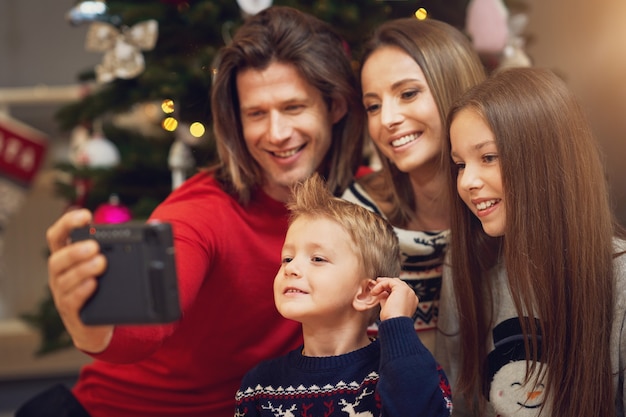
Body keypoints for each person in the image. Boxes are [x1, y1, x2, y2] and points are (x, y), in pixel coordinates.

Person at [17, 6, 364, 417]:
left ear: (336, 106)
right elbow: (145, 324)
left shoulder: (360, 199)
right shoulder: (200, 212)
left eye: (293, 107)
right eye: (256, 113)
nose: (276, 133)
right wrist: (89, 322)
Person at [437, 67, 626, 417]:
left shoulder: (620, 278)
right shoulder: (465, 262)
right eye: (460, 164)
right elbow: (455, 399)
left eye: (488, 157)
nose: (467, 182)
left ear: (544, 159)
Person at [235, 174, 453, 417]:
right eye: (287, 257)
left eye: (317, 259)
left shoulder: (406, 371)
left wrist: (397, 323)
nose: (291, 268)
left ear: (365, 293)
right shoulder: (259, 386)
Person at [341, 17, 486, 353]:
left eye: (407, 94)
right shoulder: (352, 221)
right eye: (373, 106)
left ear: (455, 89)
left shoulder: (507, 209)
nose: (387, 119)